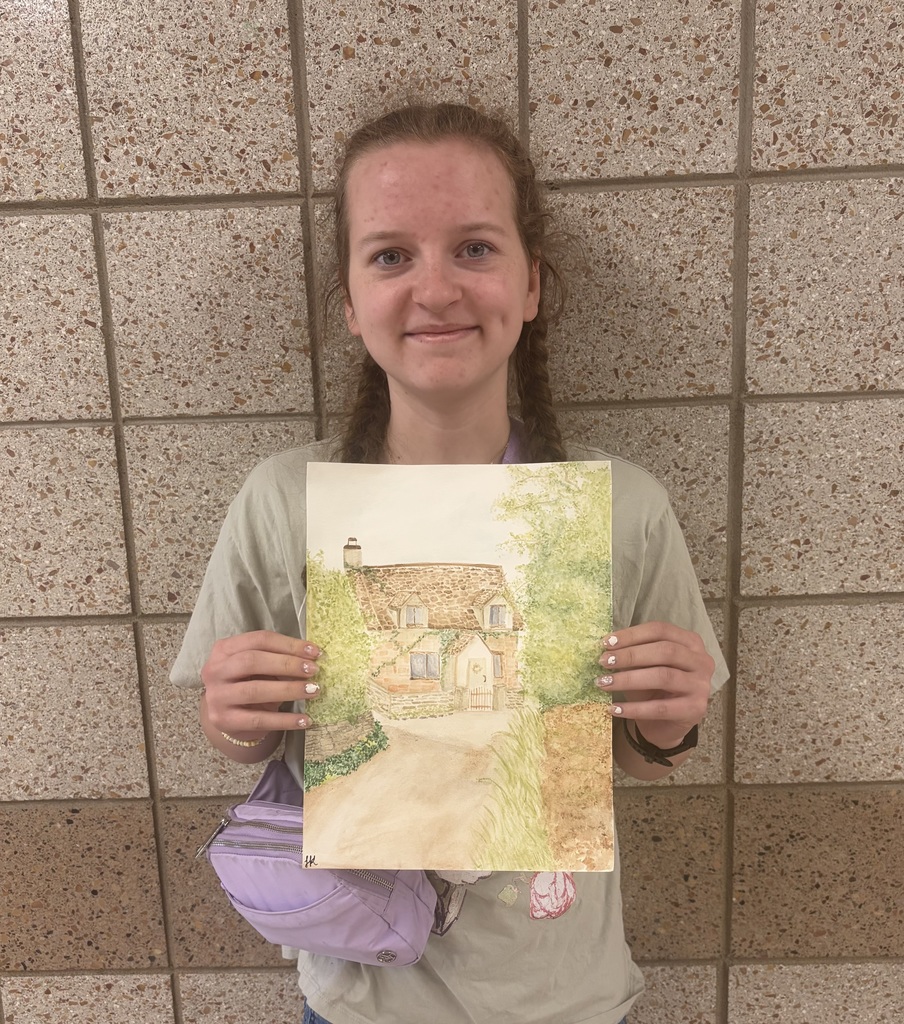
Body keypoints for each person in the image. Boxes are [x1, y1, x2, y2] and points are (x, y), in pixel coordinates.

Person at [171, 101, 729, 1024]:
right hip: (361, 998)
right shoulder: (283, 500)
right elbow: (247, 743)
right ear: (349, 301)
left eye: (474, 248)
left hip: (564, 997)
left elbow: (640, 760)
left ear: (532, 283)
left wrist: (668, 723)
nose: (435, 290)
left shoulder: (622, 507)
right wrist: (230, 715)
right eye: (391, 256)